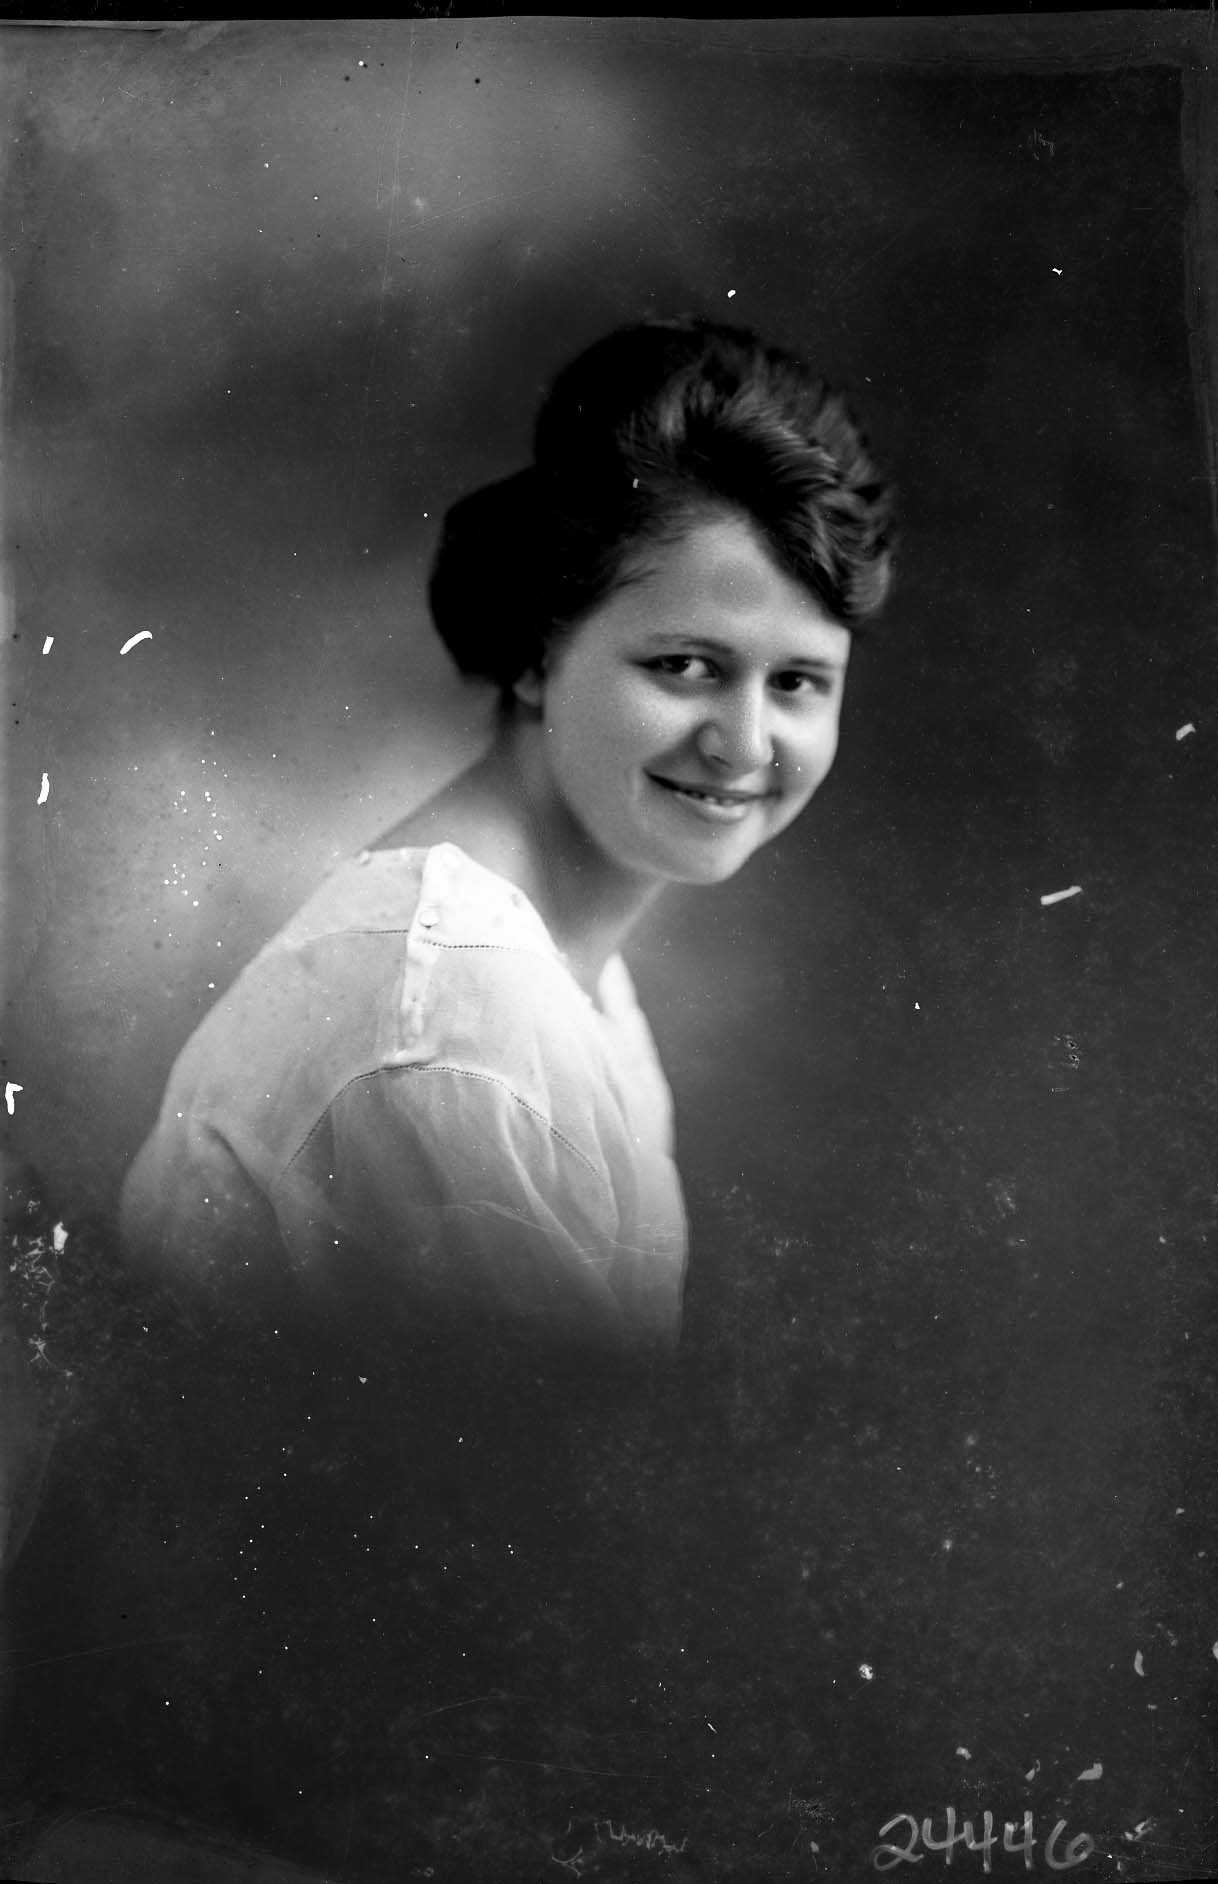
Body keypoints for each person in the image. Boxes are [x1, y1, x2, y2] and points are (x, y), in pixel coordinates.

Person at [119, 316, 895, 1362]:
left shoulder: (547, 979)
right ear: (537, 651)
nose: (745, 744)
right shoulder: (456, 1033)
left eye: (797, 682)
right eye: (684, 666)